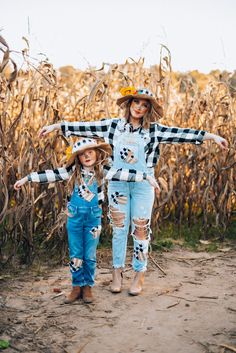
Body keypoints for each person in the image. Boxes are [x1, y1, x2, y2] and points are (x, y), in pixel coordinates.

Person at [39, 86, 228, 296]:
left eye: (144, 105)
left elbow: (181, 134)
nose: (139, 108)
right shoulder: (113, 126)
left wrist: (212, 137)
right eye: (136, 103)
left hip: (143, 186)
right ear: (129, 105)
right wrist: (56, 126)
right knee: (119, 229)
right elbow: (85, 127)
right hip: (118, 185)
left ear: (148, 110)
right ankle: (117, 274)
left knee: (140, 228)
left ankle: (139, 274)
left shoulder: (154, 131)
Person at [14, 136, 159, 303]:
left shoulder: (103, 171)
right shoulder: (71, 172)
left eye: (90, 152)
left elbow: (123, 174)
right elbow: (50, 175)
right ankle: (77, 287)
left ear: (97, 154)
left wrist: (146, 176)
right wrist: (26, 179)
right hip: (74, 218)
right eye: (82, 154)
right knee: (76, 253)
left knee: (89, 255)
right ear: (77, 158)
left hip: (93, 220)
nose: (87, 156)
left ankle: (88, 287)